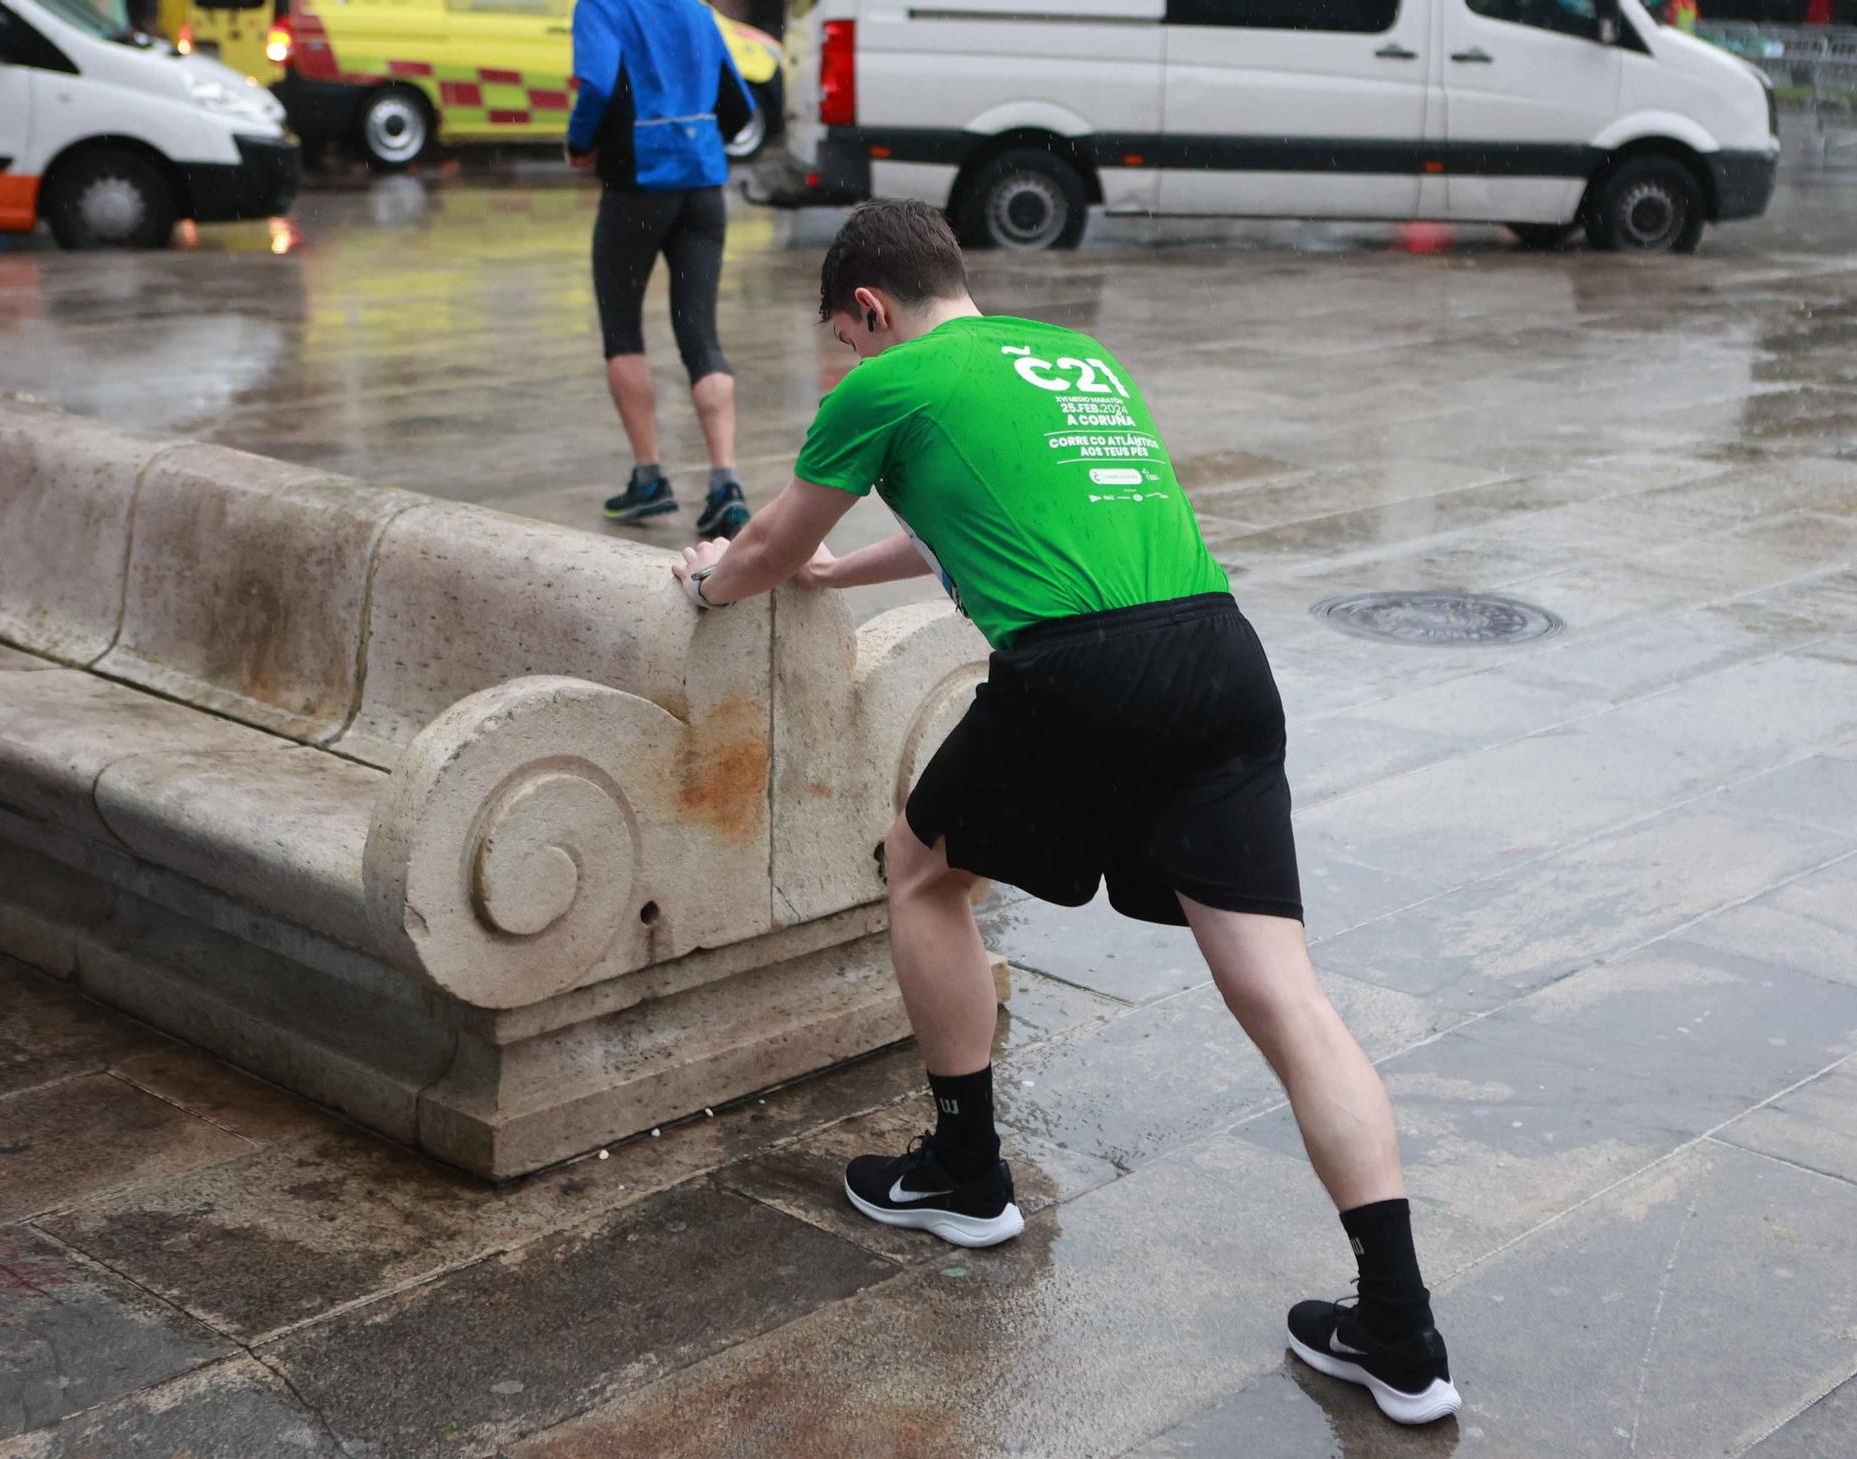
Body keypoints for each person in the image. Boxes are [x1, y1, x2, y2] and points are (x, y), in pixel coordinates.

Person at [671, 198, 1461, 1428]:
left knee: (920, 871)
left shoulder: (888, 382)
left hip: (1084, 668)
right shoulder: (1076, 360)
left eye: (846, 338)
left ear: (867, 310)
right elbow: (983, 520)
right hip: (1219, 655)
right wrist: (844, 570)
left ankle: (962, 1167)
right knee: (1282, 994)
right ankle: (1401, 1332)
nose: (848, 361)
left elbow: (767, 542)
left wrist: (714, 584)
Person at [567, 0, 755, 539]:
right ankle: (726, 485)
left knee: (623, 332)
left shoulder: (602, 6)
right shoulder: (698, 11)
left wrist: (581, 143)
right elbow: (739, 105)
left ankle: (650, 479)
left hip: (638, 187)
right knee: (700, 335)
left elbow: (599, 86)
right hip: (703, 189)